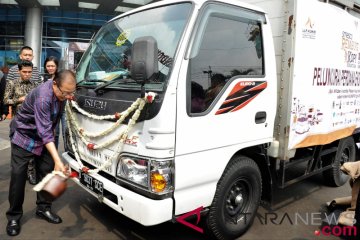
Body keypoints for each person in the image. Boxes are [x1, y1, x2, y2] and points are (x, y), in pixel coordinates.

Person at [6, 70, 76, 237]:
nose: (67, 96)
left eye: (71, 92)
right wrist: (58, 159)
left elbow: (53, 123)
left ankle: (43, 209)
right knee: (18, 176)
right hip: (25, 135)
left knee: (46, 174)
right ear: (54, 84)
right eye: (65, 92)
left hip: (45, 138)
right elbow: (44, 130)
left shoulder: (63, 94)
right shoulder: (44, 96)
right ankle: (14, 217)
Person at [6, 46, 42, 185]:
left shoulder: (36, 72)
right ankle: (17, 171)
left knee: (32, 146)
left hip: (33, 119)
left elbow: (39, 89)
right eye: (25, 54)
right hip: (18, 118)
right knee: (17, 146)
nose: (27, 57)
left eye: (30, 55)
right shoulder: (13, 72)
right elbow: (7, 94)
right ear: (21, 56)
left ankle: (30, 171)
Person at [43, 56, 65, 149]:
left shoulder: (61, 77)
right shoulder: (43, 78)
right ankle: (53, 160)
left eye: (52, 66)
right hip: (52, 111)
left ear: (56, 66)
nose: (50, 68)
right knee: (54, 134)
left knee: (66, 133)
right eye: (48, 66)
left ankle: (70, 157)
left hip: (63, 109)